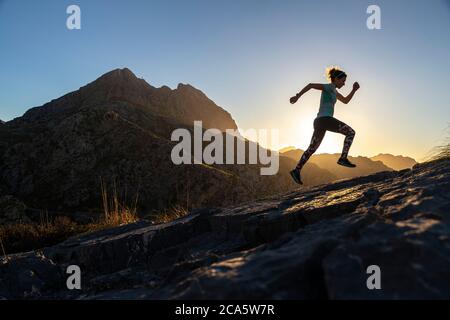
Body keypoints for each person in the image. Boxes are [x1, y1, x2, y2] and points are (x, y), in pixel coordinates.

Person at [289, 67, 360, 185]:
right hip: (325, 119)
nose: (344, 83)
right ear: (336, 79)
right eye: (343, 81)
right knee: (351, 132)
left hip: (319, 122)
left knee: (312, 148)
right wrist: (297, 96)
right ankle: (343, 158)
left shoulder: (335, 92)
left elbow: (346, 101)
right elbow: (310, 85)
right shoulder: (328, 87)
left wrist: (354, 90)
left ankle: (296, 170)